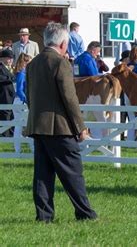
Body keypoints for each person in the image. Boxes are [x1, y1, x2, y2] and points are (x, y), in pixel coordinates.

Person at [25, 22, 97, 222]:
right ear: (64, 43)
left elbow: (29, 98)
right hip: (60, 127)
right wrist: (80, 127)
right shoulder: (60, 63)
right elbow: (70, 98)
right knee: (73, 173)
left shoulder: (32, 64)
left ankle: (44, 216)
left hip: (38, 127)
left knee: (42, 175)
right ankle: (85, 213)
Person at [13, 53, 32, 153]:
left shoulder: (23, 73)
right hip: (20, 101)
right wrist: (27, 100)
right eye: (28, 62)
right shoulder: (21, 73)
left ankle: (19, 149)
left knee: (20, 126)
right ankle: (18, 149)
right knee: (19, 126)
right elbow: (19, 90)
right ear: (24, 62)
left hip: (20, 101)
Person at [0, 49, 15, 137]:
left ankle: (9, 134)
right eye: (9, 58)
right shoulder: (0, 67)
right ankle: (4, 135)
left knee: (10, 116)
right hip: (3, 96)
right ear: (3, 58)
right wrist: (10, 78)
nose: (11, 60)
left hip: (9, 96)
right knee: (5, 115)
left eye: (11, 58)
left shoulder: (7, 67)